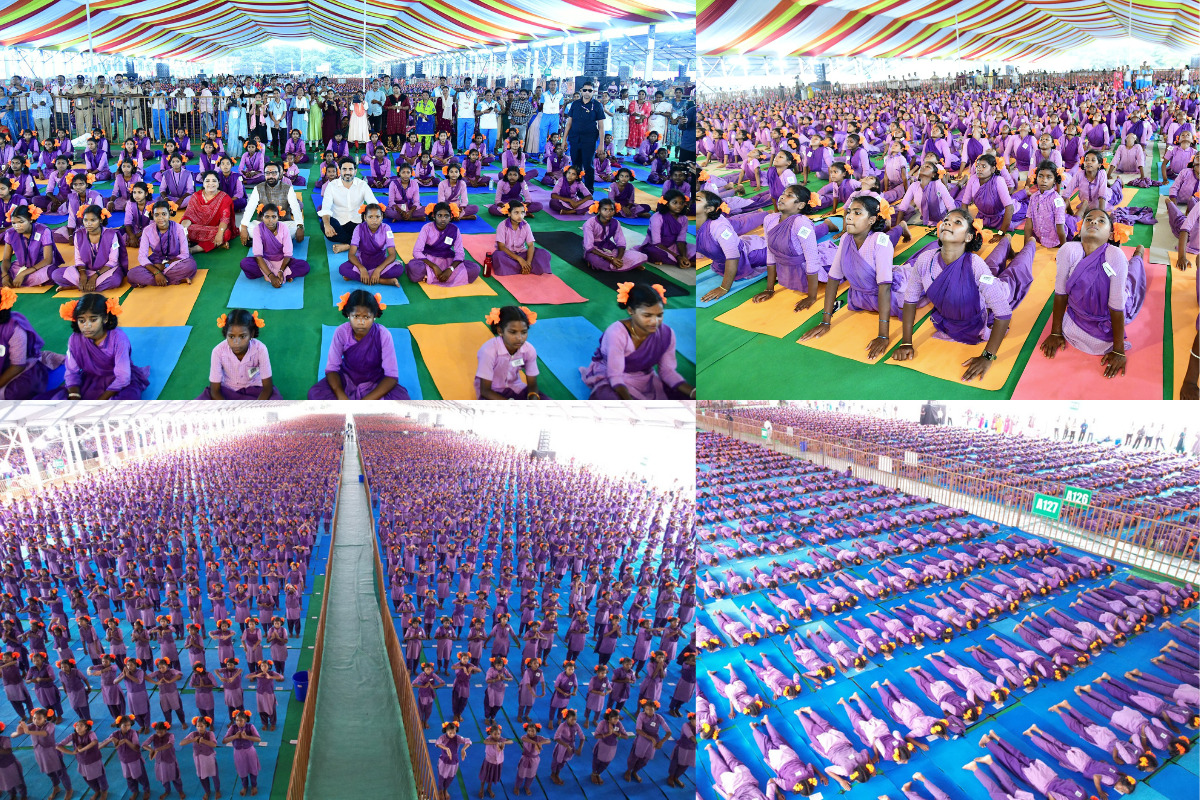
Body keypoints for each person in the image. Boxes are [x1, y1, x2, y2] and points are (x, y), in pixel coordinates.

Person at [893, 209, 1034, 382]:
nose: (947, 222)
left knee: (1016, 270)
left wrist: (988, 356)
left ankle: (1031, 243)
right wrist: (906, 342)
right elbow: (910, 300)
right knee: (992, 264)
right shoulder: (925, 260)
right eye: (946, 219)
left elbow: (1003, 312)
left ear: (968, 237)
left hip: (997, 291)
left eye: (957, 222)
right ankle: (1006, 241)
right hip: (977, 281)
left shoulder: (975, 264)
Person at [1040, 209, 1147, 379]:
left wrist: (1118, 350)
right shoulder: (1068, 250)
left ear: (1111, 235)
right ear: (1080, 230)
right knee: (1129, 275)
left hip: (1116, 304)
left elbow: (1116, 304)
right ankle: (1137, 256)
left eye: (1101, 221)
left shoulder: (1115, 255)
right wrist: (1056, 332)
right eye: (1088, 219)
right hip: (1078, 315)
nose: (1094, 222)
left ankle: (1139, 253)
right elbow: (1060, 292)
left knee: (1133, 277)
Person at [802, 195, 906, 360]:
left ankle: (901, 227)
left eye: (857, 213)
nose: (849, 216)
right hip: (859, 299)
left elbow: (885, 287)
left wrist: (883, 335)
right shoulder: (845, 238)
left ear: (871, 220)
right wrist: (825, 321)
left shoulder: (880, 241)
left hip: (892, 294)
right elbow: (833, 278)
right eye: (849, 212)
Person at [580, 283, 695, 400]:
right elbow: (615, 375)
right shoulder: (616, 333)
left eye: (659, 315)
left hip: (645, 378)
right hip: (611, 377)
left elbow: (667, 371)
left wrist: (693, 392)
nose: (655, 321)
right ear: (631, 310)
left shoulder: (666, 334)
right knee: (609, 399)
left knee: (689, 398)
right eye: (647, 315)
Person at [310, 289, 409, 400]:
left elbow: (391, 376)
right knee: (315, 394)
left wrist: (365, 402)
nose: (361, 322)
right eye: (356, 316)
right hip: (346, 378)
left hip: (375, 380)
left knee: (402, 399)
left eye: (366, 317)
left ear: (375, 316)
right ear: (348, 314)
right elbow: (332, 368)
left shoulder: (383, 334)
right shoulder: (341, 332)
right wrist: (340, 394)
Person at [49, 294, 149, 400]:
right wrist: (74, 395)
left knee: (127, 399)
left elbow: (123, 377)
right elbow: (71, 372)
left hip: (118, 380)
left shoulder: (119, 339)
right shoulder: (74, 339)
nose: (87, 326)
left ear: (105, 318)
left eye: (93, 320)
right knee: (58, 400)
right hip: (90, 378)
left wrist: (100, 401)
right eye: (82, 321)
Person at [752, 185, 837, 309]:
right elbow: (771, 254)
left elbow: (812, 260)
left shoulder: (801, 223)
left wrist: (811, 297)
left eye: (789, 195)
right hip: (787, 268)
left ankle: (827, 225)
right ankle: (826, 225)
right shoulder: (769, 219)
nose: (782, 197)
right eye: (783, 193)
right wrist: (769, 289)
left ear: (801, 205)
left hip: (807, 265)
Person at [696, 190, 767, 302]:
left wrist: (724, 288)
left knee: (782, 249)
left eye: (697, 199)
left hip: (752, 253)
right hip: (728, 255)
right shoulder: (693, 224)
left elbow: (733, 256)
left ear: (709, 209)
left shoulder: (718, 226)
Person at [129, 200, 199, 287]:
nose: (160, 218)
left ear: (169, 214)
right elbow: (142, 256)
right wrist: (156, 272)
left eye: (164, 214)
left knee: (190, 265)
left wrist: (164, 266)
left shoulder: (179, 228)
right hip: (156, 262)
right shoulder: (147, 230)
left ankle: (157, 280)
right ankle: (177, 279)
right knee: (131, 274)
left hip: (175, 261)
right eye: (156, 215)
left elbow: (184, 254)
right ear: (152, 216)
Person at [476, 306, 541, 400]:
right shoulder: (488, 351)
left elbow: (532, 384)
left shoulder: (529, 350)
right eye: (513, 332)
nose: (519, 338)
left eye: (524, 332)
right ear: (500, 331)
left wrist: (533, 398)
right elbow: (485, 391)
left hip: (517, 387)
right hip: (492, 392)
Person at [407, 202, 479, 287]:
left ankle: (430, 277)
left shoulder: (454, 230)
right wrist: (434, 267)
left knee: (475, 269)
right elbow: (416, 251)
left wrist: (450, 269)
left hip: (448, 260)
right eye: (439, 216)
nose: (443, 219)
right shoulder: (427, 228)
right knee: (414, 268)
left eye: (446, 216)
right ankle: (440, 276)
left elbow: (460, 253)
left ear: (451, 216)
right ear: (433, 215)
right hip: (428, 260)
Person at [238, 203, 310, 288]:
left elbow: (288, 254)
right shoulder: (258, 229)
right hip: (265, 261)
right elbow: (258, 256)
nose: (270, 220)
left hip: (283, 261)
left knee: (305, 266)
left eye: (274, 217)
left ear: (278, 217)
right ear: (262, 217)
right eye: (267, 217)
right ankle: (284, 276)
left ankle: (276, 275)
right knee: (245, 263)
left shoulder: (283, 227)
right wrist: (271, 276)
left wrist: (281, 271)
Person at [58, 205, 127, 291]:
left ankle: (76, 286)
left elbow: (113, 261)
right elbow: (78, 259)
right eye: (85, 220)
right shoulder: (79, 234)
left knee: (115, 280)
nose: (88, 223)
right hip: (87, 270)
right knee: (57, 274)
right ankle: (87, 284)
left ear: (101, 220)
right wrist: (83, 276)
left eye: (93, 220)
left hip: (106, 271)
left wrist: (94, 277)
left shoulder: (111, 234)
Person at [342, 203, 404, 287]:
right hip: (362, 261)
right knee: (343, 268)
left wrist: (378, 270)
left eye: (377, 217)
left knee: (399, 269)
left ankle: (360, 277)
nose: (374, 220)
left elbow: (392, 254)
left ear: (382, 217)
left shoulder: (386, 228)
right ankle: (382, 280)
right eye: (370, 217)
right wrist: (361, 268)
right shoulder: (359, 228)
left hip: (381, 262)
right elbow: (351, 254)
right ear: (365, 217)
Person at [319, 158, 375, 251]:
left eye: (351, 169)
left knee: (373, 222)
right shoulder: (331, 186)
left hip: (357, 222)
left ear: (355, 171)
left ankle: (348, 245)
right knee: (324, 224)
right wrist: (327, 225)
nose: (347, 172)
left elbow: (373, 204)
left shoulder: (362, 185)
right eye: (344, 169)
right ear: (340, 171)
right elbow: (326, 208)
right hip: (339, 224)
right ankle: (359, 241)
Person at [2, 205, 61, 289]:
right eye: (14, 223)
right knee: (2, 272)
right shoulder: (10, 233)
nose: (17, 226)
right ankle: (36, 281)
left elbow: (48, 260)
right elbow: (6, 259)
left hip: (41, 265)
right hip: (21, 265)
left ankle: (27, 279)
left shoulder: (43, 230)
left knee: (53, 273)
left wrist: (23, 274)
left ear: (30, 219)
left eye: (21, 222)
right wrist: (5, 275)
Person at [563, 82, 606, 194]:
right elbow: (569, 123)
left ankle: (588, 191)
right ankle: (575, 190)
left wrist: (601, 144)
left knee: (588, 166)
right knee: (575, 166)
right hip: (574, 139)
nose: (587, 92)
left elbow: (601, 126)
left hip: (589, 140)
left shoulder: (597, 105)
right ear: (581, 91)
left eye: (590, 90)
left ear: (593, 92)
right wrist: (564, 140)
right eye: (585, 90)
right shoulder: (575, 104)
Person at [584, 198, 648, 272]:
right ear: (599, 210)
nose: (608, 212)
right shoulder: (590, 223)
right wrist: (611, 259)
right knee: (596, 261)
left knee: (640, 256)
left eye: (611, 210)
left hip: (609, 248)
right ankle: (628, 265)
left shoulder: (616, 223)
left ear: (615, 211)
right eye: (605, 209)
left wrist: (618, 258)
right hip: (594, 250)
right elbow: (589, 247)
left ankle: (618, 264)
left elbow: (621, 243)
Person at [180, 171, 234, 254]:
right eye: (207, 181)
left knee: (226, 233)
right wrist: (184, 231)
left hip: (215, 229)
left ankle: (193, 249)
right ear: (203, 183)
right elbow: (188, 216)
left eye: (214, 181)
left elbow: (225, 219)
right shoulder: (196, 196)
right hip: (196, 228)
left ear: (218, 183)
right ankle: (217, 244)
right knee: (179, 230)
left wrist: (220, 233)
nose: (211, 184)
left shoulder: (225, 198)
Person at [491, 201, 550, 275]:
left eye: (522, 213)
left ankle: (523, 267)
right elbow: (501, 247)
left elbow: (531, 245)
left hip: (522, 253)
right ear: (509, 213)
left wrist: (528, 262)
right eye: (516, 213)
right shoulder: (502, 226)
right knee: (498, 256)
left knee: (544, 253)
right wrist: (519, 259)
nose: (520, 216)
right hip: (508, 255)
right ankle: (528, 268)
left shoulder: (526, 225)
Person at [640, 191, 695, 267]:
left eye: (681, 203)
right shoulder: (657, 217)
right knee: (656, 253)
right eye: (675, 203)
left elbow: (681, 240)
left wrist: (683, 256)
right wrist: (677, 257)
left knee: (696, 250)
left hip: (674, 246)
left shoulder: (684, 219)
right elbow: (656, 243)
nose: (679, 206)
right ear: (667, 203)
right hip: (657, 247)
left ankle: (682, 261)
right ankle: (685, 262)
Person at [102, 715, 150, 800]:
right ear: (119, 725)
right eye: (124, 725)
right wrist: (110, 740)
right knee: (129, 777)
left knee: (140, 776)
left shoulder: (133, 733)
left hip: (135, 759)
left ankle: (147, 790)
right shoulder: (115, 734)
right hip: (124, 760)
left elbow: (136, 747)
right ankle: (135, 791)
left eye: (129, 725)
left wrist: (126, 741)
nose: (127, 727)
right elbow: (103, 743)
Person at [180, 716, 221, 800]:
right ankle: (207, 791)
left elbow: (214, 744)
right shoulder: (193, 734)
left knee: (214, 775)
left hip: (209, 758)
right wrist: (192, 740)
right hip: (198, 759)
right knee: (202, 776)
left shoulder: (210, 734)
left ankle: (217, 790)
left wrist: (204, 741)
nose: (199, 728)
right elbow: (181, 743)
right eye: (198, 726)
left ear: (206, 725)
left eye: (201, 726)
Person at [222, 710, 261, 797]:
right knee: (241, 770)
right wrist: (235, 736)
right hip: (238, 753)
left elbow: (258, 739)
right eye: (237, 720)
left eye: (241, 720)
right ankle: (245, 786)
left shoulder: (250, 726)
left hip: (250, 751)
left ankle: (254, 786)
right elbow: (224, 740)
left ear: (245, 720)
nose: (239, 723)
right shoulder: (233, 728)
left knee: (253, 769)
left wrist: (246, 737)